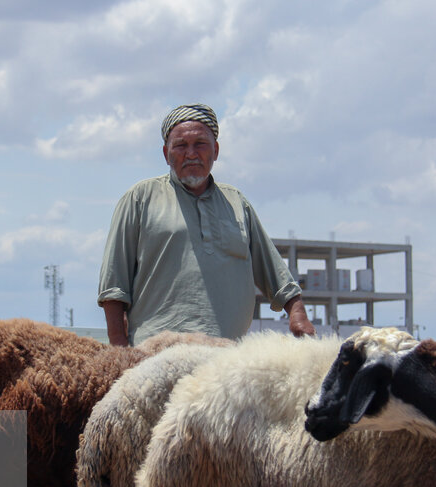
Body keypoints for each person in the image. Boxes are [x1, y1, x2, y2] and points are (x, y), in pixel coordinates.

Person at [98, 103, 315, 346]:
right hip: (156, 355)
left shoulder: (237, 203)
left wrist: (297, 314)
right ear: (165, 153)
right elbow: (114, 283)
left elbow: (274, 271)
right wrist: (119, 348)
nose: (191, 153)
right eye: (180, 145)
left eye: (200, 144)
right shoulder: (140, 198)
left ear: (216, 150)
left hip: (226, 358)